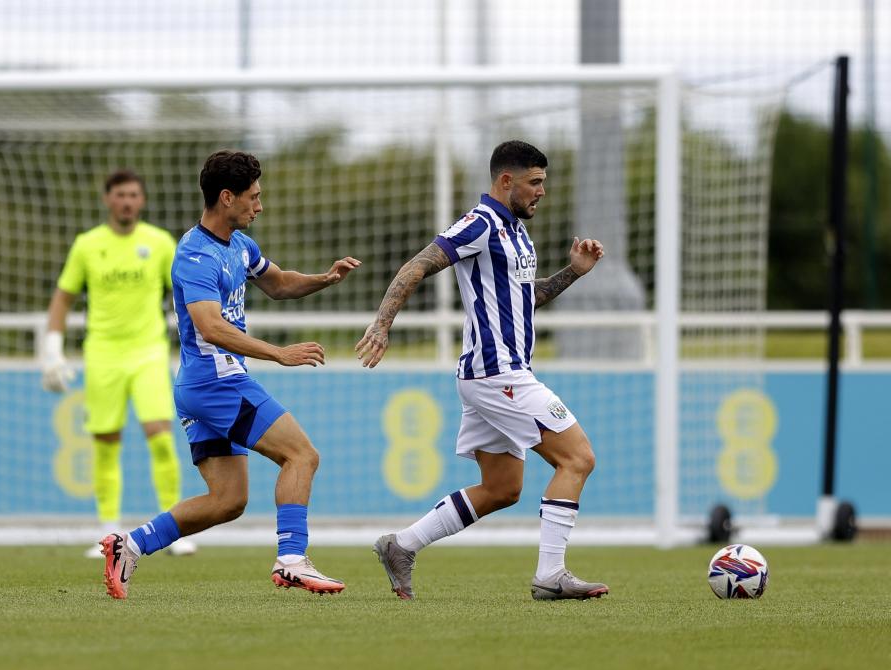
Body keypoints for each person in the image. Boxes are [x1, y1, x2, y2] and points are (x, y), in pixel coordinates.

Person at [99, 150, 360, 600]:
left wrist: (324, 278)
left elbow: (278, 283)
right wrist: (278, 353)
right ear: (226, 198)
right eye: (253, 197)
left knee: (228, 500)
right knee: (302, 456)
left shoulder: (240, 245)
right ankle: (292, 560)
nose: (259, 206)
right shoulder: (195, 254)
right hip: (216, 383)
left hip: (204, 386)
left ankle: (130, 545)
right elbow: (211, 327)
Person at [356, 140, 608, 601]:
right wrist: (381, 323)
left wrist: (573, 272)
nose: (541, 192)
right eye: (534, 182)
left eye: (544, 183)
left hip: (493, 376)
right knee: (578, 458)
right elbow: (417, 265)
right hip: (500, 375)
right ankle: (550, 575)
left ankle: (402, 546)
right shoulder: (480, 223)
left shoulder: (517, 233)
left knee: (502, 488)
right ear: (505, 181)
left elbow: (524, 300)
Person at [43, 169, 195, 558]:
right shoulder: (88, 245)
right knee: (106, 443)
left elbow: (181, 293)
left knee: (160, 436)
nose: (126, 201)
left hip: (147, 353)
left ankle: (172, 527)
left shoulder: (159, 243)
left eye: (133, 195)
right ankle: (108, 533)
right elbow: (63, 298)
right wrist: (52, 350)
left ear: (141, 201)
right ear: (108, 199)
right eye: (120, 195)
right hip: (103, 355)